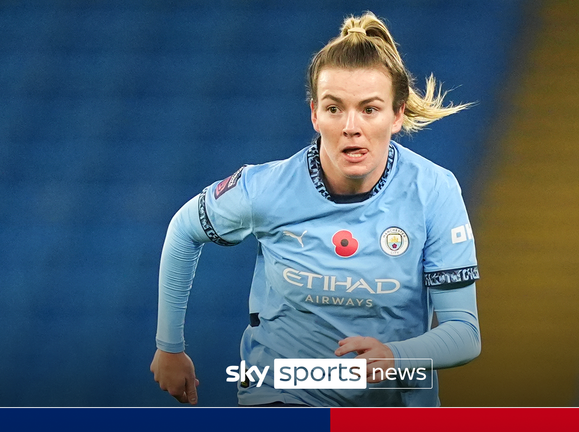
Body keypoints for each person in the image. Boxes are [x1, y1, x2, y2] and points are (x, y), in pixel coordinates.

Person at [151, 11, 481, 407]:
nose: (351, 126)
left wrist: (396, 356)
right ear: (314, 114)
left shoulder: (433, 190)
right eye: (334, 108)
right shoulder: (265, 187)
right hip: (282, 395)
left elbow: (464, 333)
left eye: (370, 109)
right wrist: (169, 347)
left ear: (397, 115)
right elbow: (184, 231)